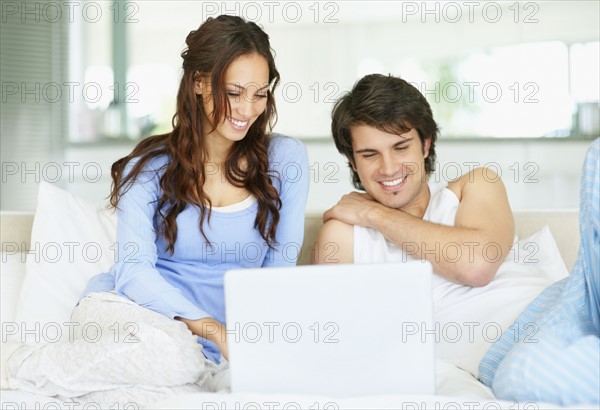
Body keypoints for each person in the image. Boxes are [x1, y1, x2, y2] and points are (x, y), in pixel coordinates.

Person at [8, 15, 309, 400]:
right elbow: (133, 273)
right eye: (233, 92)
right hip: (132, 314)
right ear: (199, 83)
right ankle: (22, 365)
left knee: (207, 369)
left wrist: (252, 337)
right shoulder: (149, 166)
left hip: (220, 342)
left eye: (260, 93)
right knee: (178, 360)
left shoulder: (286, 158)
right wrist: (212, 329)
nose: (247, 109)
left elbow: (280, 267)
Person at [313, 73, 599, 405]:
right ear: (352, 161)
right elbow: (333, 339)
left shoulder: (475, 186)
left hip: (572, 300)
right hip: (512, 354)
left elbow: (476, 265)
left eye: (400, 146)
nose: (388, 167)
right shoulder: (344, 234)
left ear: (425, 144)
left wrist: (374, 214)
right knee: (524, 381)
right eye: (369, 154)